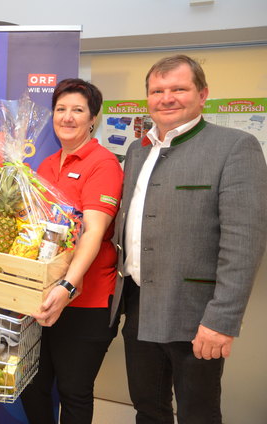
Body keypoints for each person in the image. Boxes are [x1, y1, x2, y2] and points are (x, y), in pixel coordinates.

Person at [110, 54, 267, 423]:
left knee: (198, 413)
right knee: (148, 407)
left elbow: (243, 242)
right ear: (147, 98)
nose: (167, 98)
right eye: (157, 90)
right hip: (138, 304)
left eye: (179, 89)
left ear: (203, 94)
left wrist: (222, 320)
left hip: (195, 313)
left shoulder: (235, 147)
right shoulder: (137, 150)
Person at [21, 78, 124, 423]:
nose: (67, 117)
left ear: (93, 117)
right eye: (61, 109)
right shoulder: (47, 165)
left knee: (73, 391)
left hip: (86, 300)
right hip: (42, 294)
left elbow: (93, 231)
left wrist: (67, 286)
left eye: (78, 110)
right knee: (32, 384)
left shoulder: (103, 163)